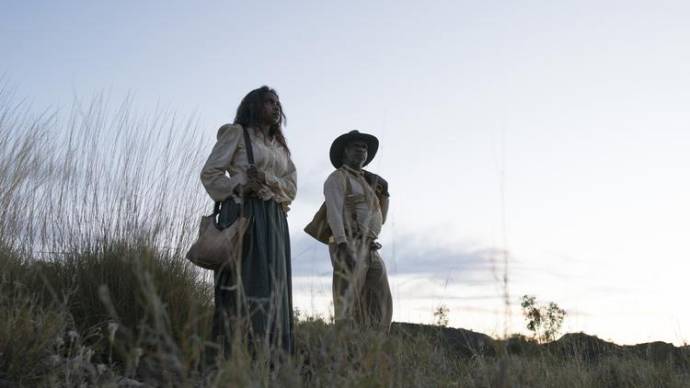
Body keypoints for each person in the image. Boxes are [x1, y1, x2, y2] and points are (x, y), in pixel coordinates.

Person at [200, 86, 296, 354]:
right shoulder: (236, 134)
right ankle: (236, 357)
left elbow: (292, 187)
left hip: (274, 219)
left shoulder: (280, 148)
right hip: (244, 215)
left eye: (278, 103)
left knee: (274, 285)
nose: (276, 107)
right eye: (269, 102)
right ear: (253, 106)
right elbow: (210, 173)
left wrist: (267, 180)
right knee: (245, 282)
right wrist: (239, 185)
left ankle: (271, 359)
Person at [323, 130, 392, 331]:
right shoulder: (337, 178)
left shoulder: (369, 183)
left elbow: (383, 220)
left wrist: (385, 194)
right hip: (349, 244)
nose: (362, 150)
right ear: (345, 152)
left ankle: (374, 350)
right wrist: (342, 245)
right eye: (356, 146)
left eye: (364, 147)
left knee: (380, 303)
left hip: (371, 247)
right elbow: (333, 213)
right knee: (348, 306)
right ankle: (344, 353)